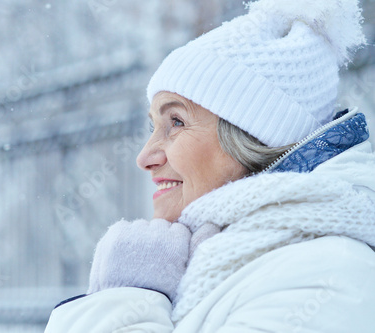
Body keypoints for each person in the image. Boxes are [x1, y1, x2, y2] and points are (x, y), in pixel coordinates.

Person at [45, 0, 375, 331]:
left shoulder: (325, 275)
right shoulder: (213, 261)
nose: (144, 157)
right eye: (153, 127)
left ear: (251, 137)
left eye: (175, 121)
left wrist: (125, 299)